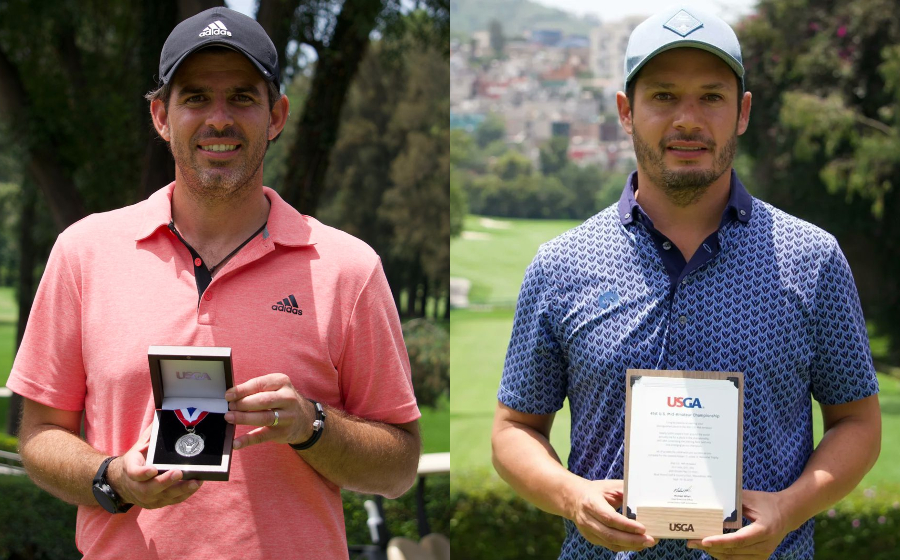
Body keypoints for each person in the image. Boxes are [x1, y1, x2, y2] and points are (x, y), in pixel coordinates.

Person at [8, 7, 421, 559]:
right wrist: (112, 479)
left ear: (276, 116)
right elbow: (38, 435)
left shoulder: (348, 268)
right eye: (196, 97)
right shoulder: (85, 252)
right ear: (161, 116)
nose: (218, 119)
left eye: (243, 98)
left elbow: (398, 467)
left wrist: (313, 424)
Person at [491, 6, 881, 560]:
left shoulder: (810, 258)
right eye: (665, 96)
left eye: (712, 97)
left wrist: (788, 508)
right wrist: (572, 496)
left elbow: (858, 421)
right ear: (627, 111)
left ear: (742, 112)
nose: (688, 120)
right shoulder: (562, 265)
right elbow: (513, 430)